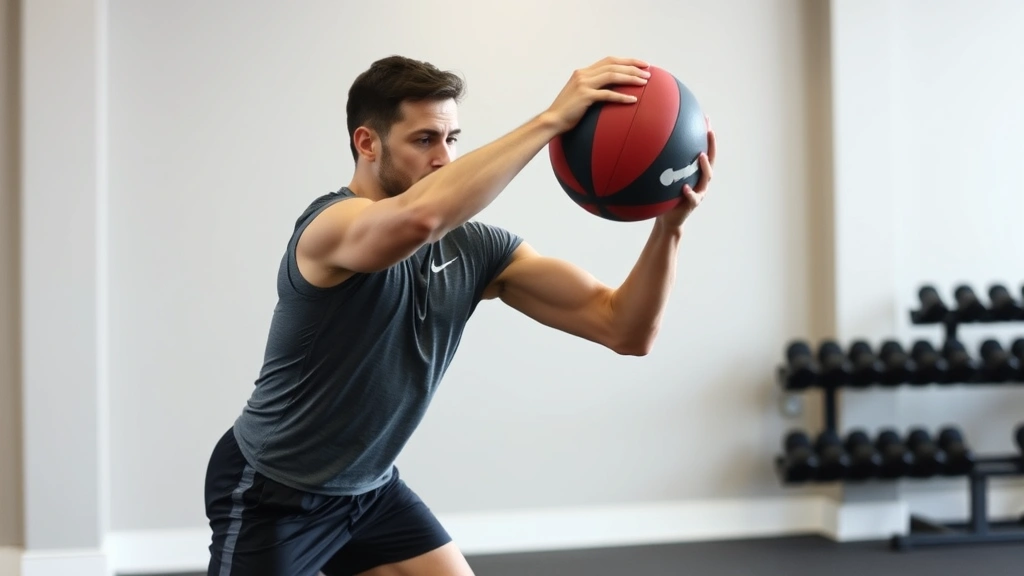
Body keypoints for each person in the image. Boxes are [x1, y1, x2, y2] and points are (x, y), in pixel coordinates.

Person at [205, 54, 717, 576]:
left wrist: (668, 229)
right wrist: (551, 120)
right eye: (425, 140)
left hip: (370, 492)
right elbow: (418, 220)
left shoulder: (477, 250)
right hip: (274, 491)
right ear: (367, 143)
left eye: (452, 140)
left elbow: (625, 328)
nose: (444, 158)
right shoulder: (330, 228)